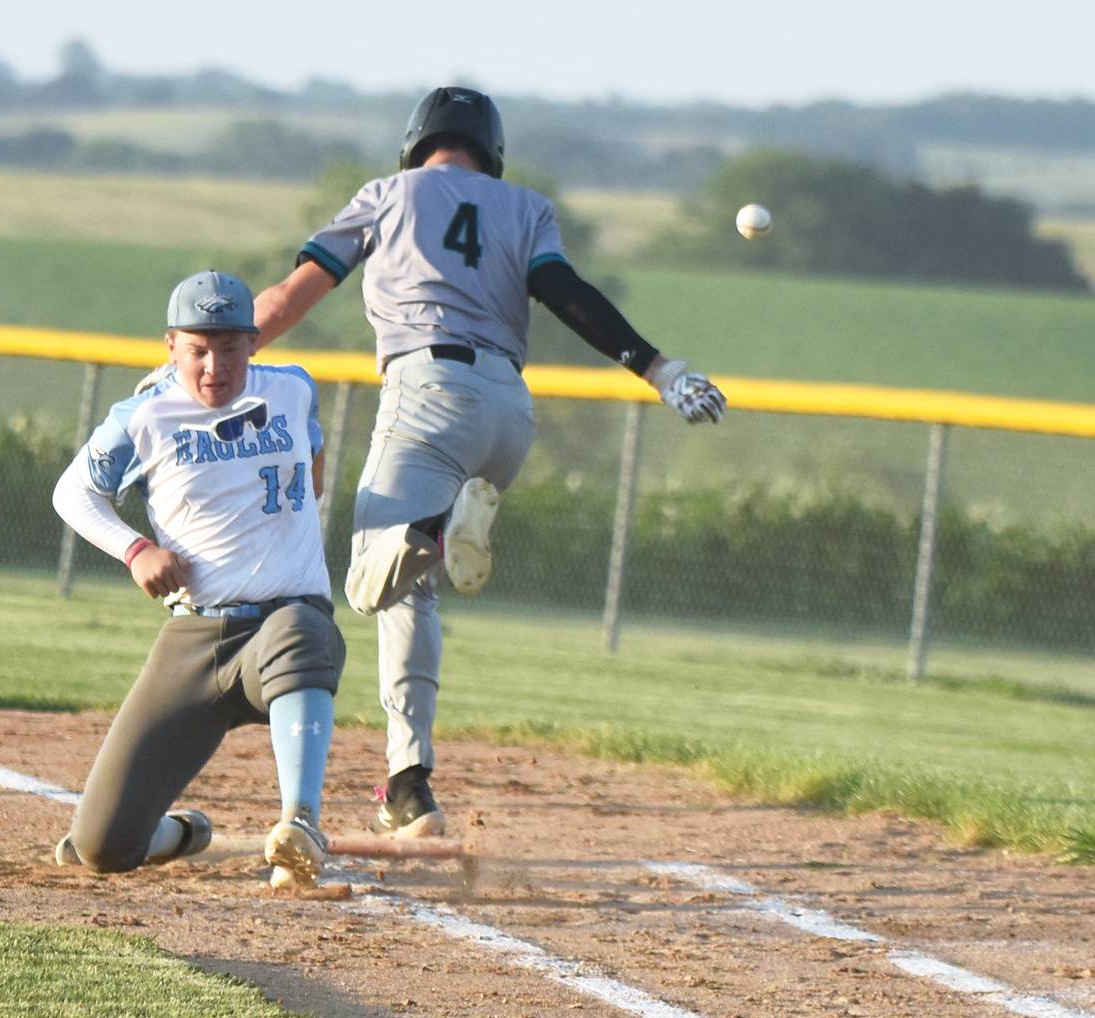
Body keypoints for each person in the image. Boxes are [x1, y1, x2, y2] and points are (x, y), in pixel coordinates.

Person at [253, 87, 725, 839]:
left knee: (371, 582)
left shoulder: (385, 196)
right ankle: (408, 788)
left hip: (427, 390)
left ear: (417, 142)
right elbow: (566, 294)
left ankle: (430, 530)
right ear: (490, 151)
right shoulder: (525, 208)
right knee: (414, 599)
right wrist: (660, 369)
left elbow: (288, 296)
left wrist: (216, 354)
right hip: (508, 409)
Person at [50, 270, 346, 890]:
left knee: (302, 632)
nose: (216, 365)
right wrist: (134, 549)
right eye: (198, 349)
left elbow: (313, 468)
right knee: (100, 846)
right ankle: (184, 833)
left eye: (231, 347)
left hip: (284, 619)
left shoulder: (293, 390)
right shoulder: (145, 416)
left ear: (253, 344)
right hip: (199, 635)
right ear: (171, 347)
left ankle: (302, 823)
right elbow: (73, 493)